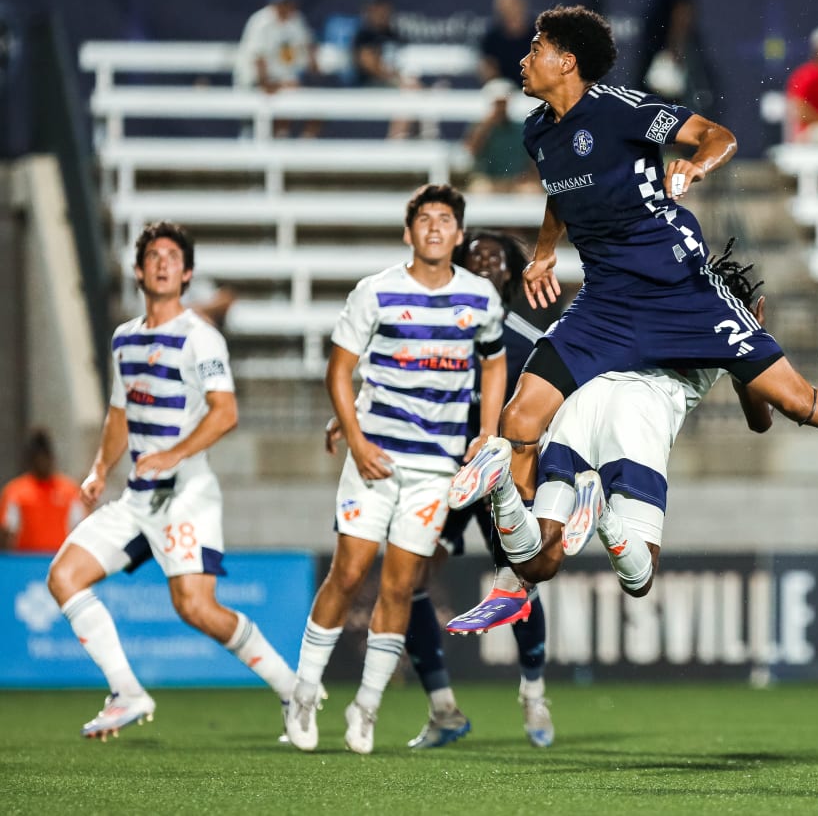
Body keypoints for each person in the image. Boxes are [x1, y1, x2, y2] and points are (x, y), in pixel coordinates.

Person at [448, 6, 818, 564]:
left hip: (681, 292)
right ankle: (522, 568)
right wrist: (544, 252)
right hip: (606, 301)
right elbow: (563, 192)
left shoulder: (620, 110)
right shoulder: (538, 131)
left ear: (567, 61)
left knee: (797, 400)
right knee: (519, 419)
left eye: (536, 49)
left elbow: (716, 135)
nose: (524, 59)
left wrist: (696, 165)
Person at [45, 221, 296, 739]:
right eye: (153, 256)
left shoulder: (200, 336)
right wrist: (99, 469)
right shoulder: (124, 338)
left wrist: (173, 454)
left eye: (172, 257)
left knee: (196, 608)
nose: (162, 263)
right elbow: (120, 413)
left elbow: (225, 413)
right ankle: (127, 693)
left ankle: (293, 689)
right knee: (63, 577)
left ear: (186, 274)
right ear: (138, 272)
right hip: (138, 498)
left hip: (186, 494)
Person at [284, 185, 507, 755]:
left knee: (402, 586)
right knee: (348, 573)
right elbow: (339, 370)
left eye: (445, 219)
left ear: (458, 234)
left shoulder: (479, 297)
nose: (434, 226)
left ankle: (366, 707)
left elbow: (495, 362)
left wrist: (488, 431)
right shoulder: (376, 291)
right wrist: (356, 439)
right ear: (408, 233)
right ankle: (303, 693)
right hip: (376, 458)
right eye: (424, 218)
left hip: (435, 470)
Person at [446, 245, 772, 601]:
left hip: (582, 401)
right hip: (640, 413)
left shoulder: (659, 303)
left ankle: (502, 482)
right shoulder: (735, 334)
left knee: (536, 565)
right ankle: (601, 512)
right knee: (640, 578)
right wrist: (757, 337)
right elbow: (760, 421)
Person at [403, 231, 554, 748]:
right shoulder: (438, 328)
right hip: (441, 473)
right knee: (408, 578)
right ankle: (443, 708)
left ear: (510, 272)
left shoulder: (529, 339)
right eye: (474, 255)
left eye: (495, 256)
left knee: (518, 580)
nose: (485, 261)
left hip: (501, 477)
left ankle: (533, 692)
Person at [234, 0, 321, 137]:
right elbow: (258, 61)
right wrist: (271, 84)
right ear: (273, 3)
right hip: (254, 83)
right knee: (278, 106)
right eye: (282, 2)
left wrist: (311, 61)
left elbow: (308, 47)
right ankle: (272, 142)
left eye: (289, 2)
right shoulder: (261, 22)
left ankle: (295, 146)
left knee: (316, 111)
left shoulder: (296, 20)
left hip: (282, 82)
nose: (286, 6)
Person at [351, 0, 420, 139]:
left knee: (421, 91)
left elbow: (403, 62)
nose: (381, 11)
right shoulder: (365, 34)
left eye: (383, 6)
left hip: (394, 83)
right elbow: (369, 65)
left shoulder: (393, 34)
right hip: (372, 85)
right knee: (410, 91)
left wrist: (402, 78)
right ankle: (396, 142)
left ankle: (417, 140)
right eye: (376, 7)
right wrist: (398, 78)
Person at [1, 429, 84, 553]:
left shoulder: (69, 490)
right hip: (25, 559)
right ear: (31, 460)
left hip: (59, 557)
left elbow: (79, 528)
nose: (42, 462)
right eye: (38, 458)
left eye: (45, 457)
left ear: (52, 458)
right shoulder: (15, 491)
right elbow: (7, 532)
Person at [479, 0, 536, 87]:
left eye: (512, 6)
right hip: (506, 90)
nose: (509, 12)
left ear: (522, 6)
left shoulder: (540, 33)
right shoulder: (492, 38)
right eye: (503, 8)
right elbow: (488, 71)